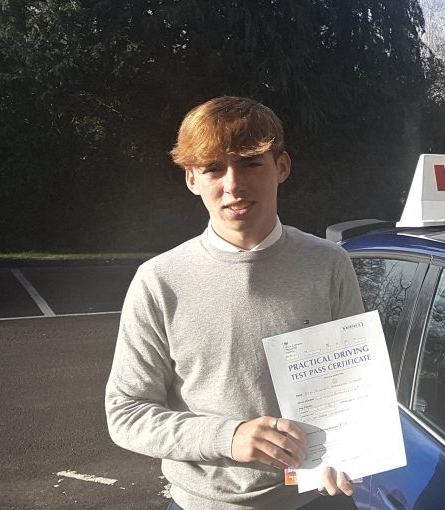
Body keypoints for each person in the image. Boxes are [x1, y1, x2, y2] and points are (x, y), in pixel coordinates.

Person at [105, 96, 364, 510]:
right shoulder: (159, 280)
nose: (232, 185)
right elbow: (126, 413)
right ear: (192, 179)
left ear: (281, 167)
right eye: (212, 168)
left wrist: (351, 449)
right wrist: (230, 437)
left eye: (250, 163)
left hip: (317, 499)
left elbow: (352, 383)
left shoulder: (329, 263)